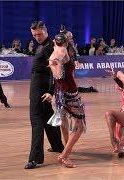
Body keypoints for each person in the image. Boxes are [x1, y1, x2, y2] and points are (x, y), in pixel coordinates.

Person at [25, 21, 64, 169]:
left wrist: (51, 92)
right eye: (34, 35)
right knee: (48, 117)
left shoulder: (49, 47)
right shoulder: (43, 45)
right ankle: (57, 145)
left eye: (39, 34)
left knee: (36, 120)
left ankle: (35, 158)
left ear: (46, 31)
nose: (37, 37)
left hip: (41, 88)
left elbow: (56, 72)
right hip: (39, 85)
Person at [43, 33, 86, 168]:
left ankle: (66, 148)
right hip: (70, 92)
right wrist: (61, 61)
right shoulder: (63, 52)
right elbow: (62, 64)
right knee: (79, 126)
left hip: (59, 92)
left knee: (64, 120)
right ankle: (64, 156)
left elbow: (57, 73)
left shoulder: (53, 53)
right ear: (67, 43)